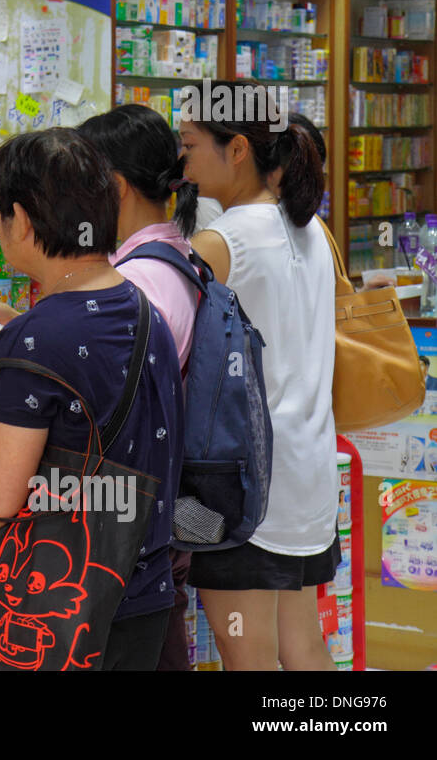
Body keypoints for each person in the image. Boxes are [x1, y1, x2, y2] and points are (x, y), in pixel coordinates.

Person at [0, 129, 184, 670]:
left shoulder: (31, 339)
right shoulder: (146, 314)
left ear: (21, 220)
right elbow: (91, 443)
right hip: (138, 601)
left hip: (45, 620)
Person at [180, 94, 338, 671]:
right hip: (308, 479)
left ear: (238, 149)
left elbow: (149, 330)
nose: (183, 160)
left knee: (246, 657)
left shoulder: (223, 242)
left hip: (245, 484)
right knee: (303, 648)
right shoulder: (311, 229)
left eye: (192, 144)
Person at [77, 104, 201, 672]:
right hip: (154, 513)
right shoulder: (170, 254)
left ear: (117, 187)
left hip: (128, 514)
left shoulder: (139, 278)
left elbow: (101, 387)